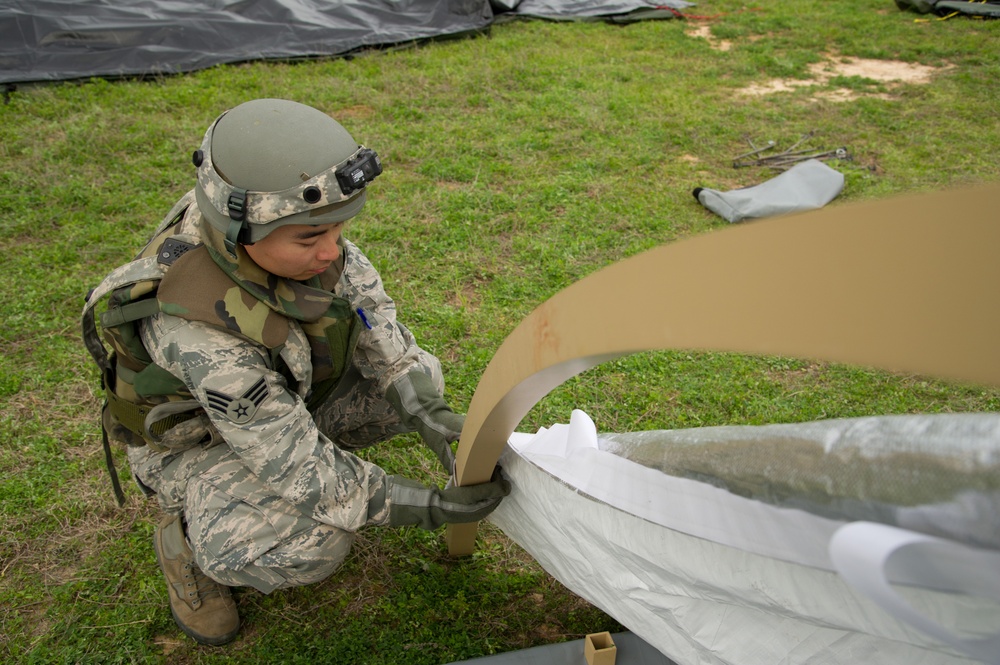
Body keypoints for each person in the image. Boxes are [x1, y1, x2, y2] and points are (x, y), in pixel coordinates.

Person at [82, 99, 509, 646]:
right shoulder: (195, 328)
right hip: (199, 444)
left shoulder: (279, 228)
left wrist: (428, 412)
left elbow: (371, 317)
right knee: (314, 543)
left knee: (421, 376)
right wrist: (424, 506)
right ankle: (187, 534)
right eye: (310, 240)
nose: (332, 252)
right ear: (241, 230)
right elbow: (294, 464)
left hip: (278, 404)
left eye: (339, 230)